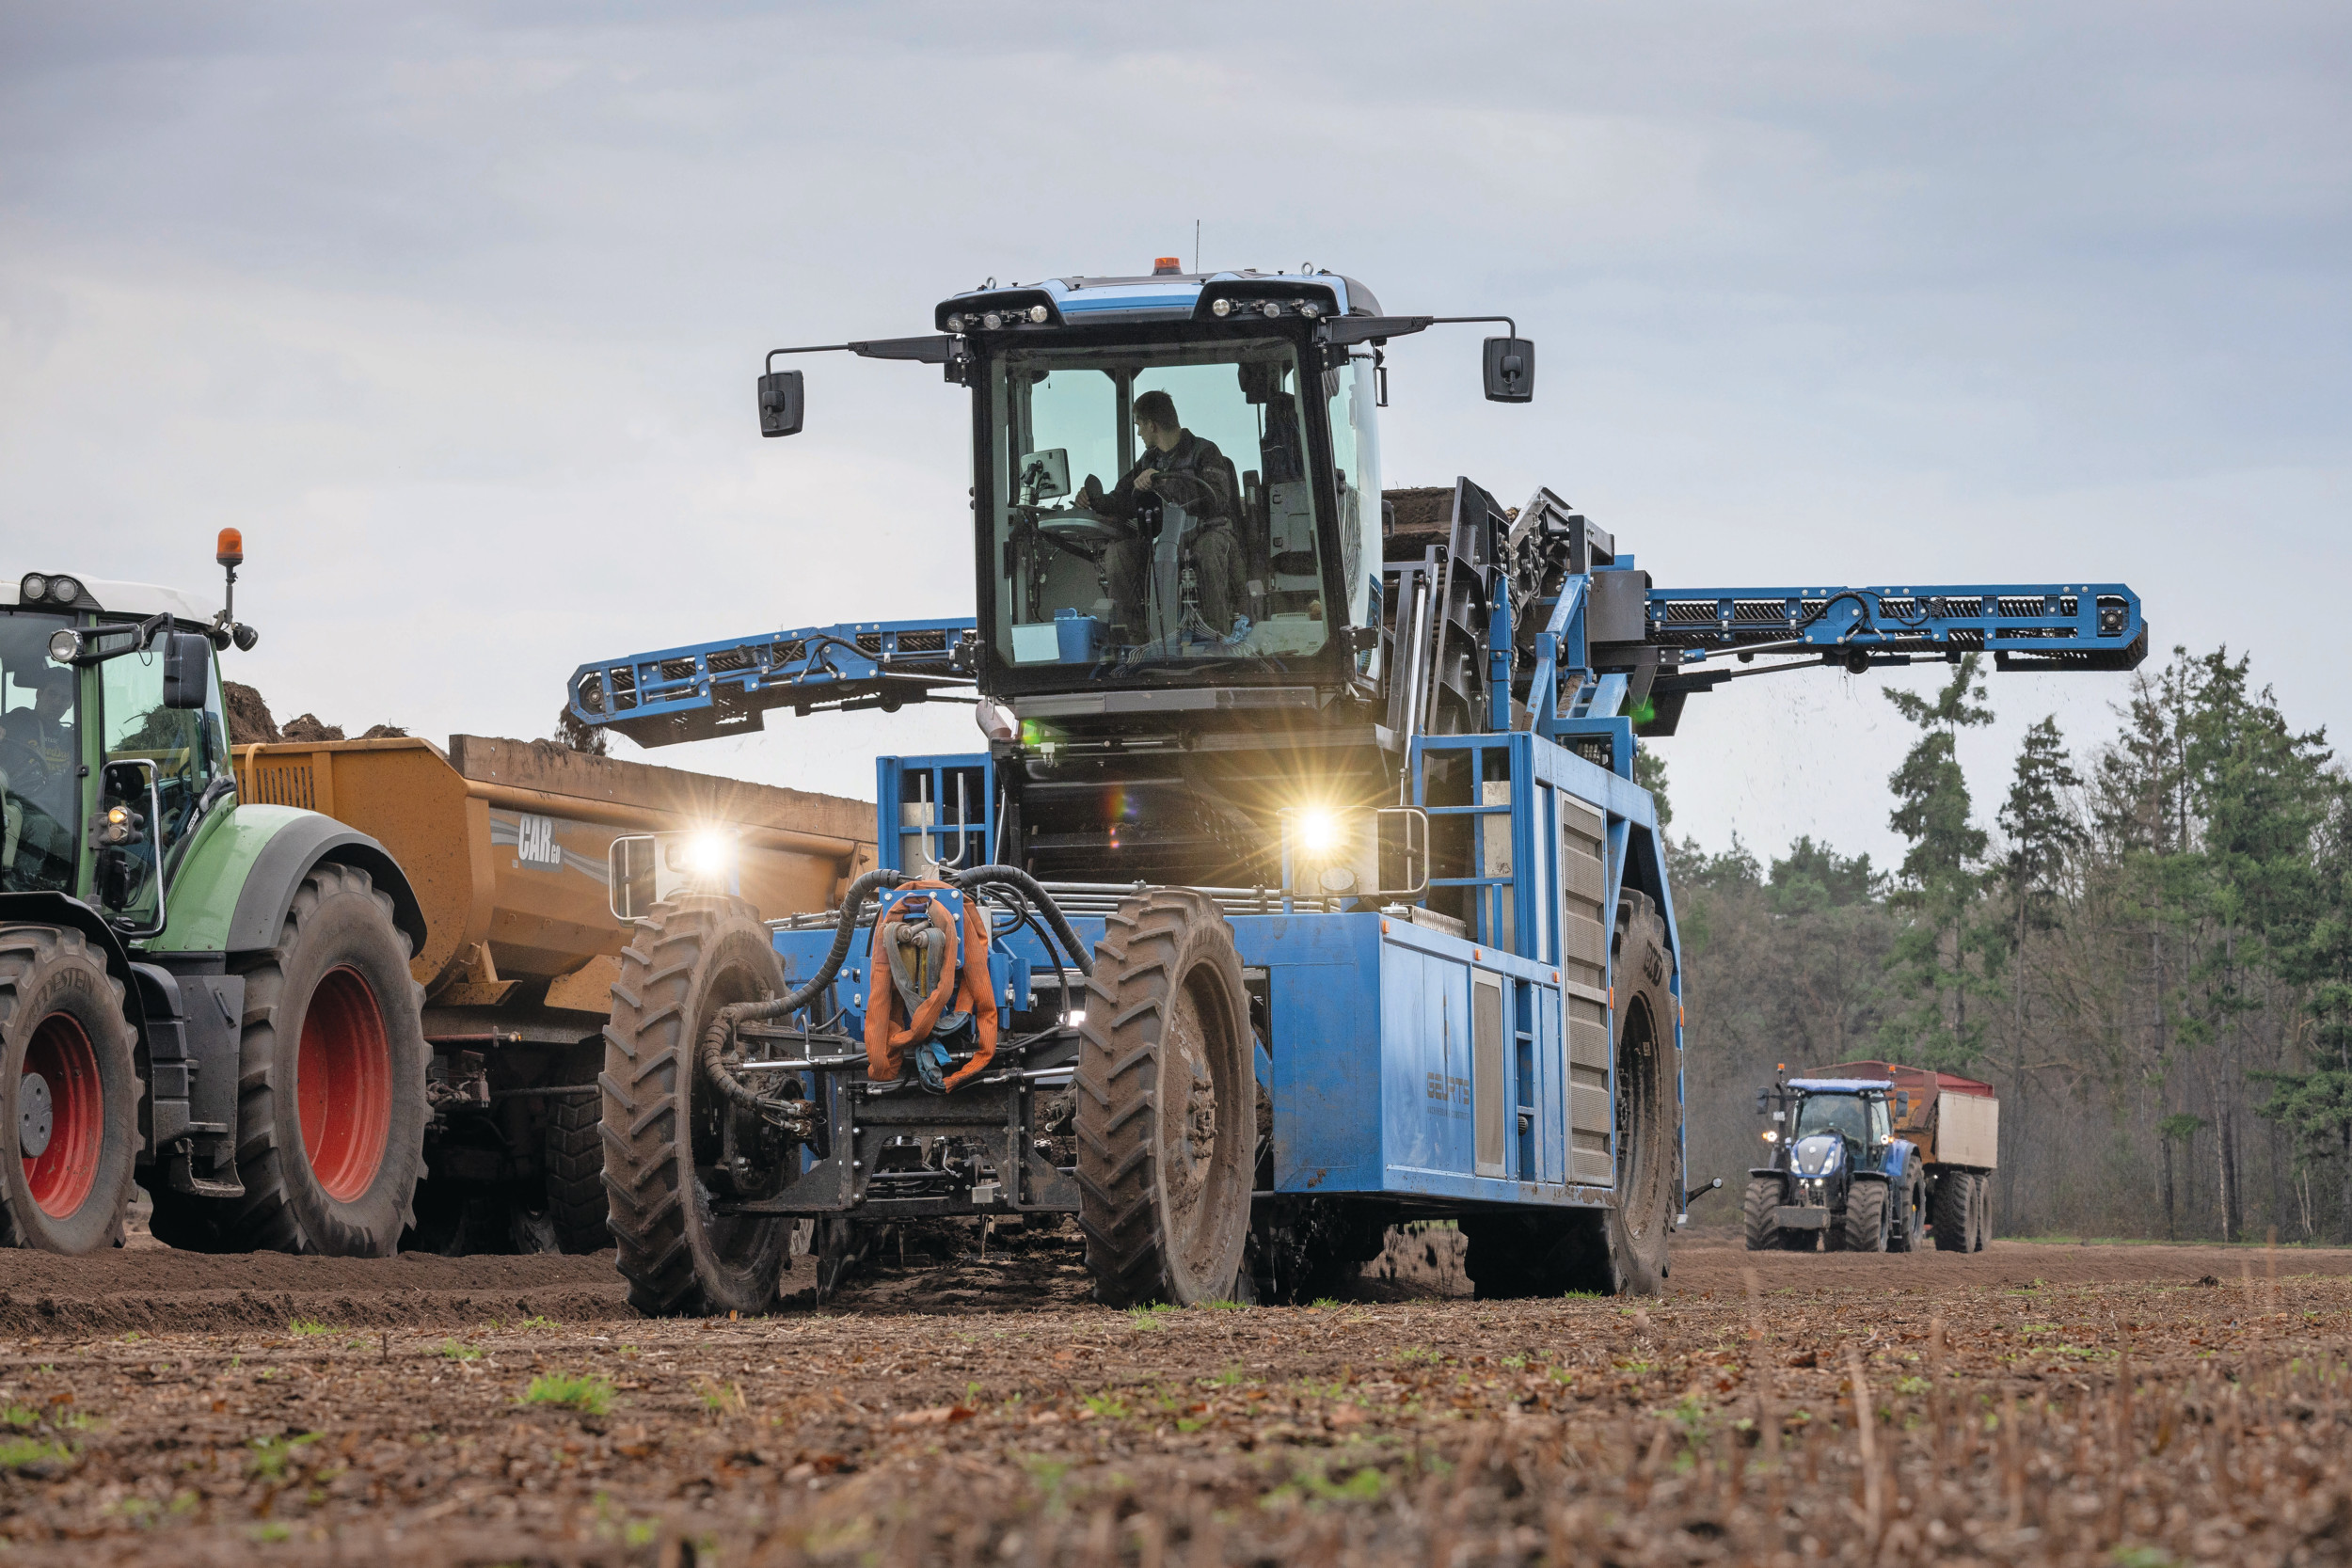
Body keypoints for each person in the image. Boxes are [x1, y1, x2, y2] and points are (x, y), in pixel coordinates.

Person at [1073, 389, 1248, 644]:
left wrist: (1161, 480)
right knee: (1119, 554)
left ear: (1151, 425)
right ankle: (1138, 641)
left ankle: (1216, 641)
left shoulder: (1205, 451)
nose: (1139, 433)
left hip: (1208, 532)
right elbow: (1123, 497)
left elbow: (1216, 498)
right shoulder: (1148, 460)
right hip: (1163, 539)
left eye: (1139, 426)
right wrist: (1093, 500)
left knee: (1209, 553)